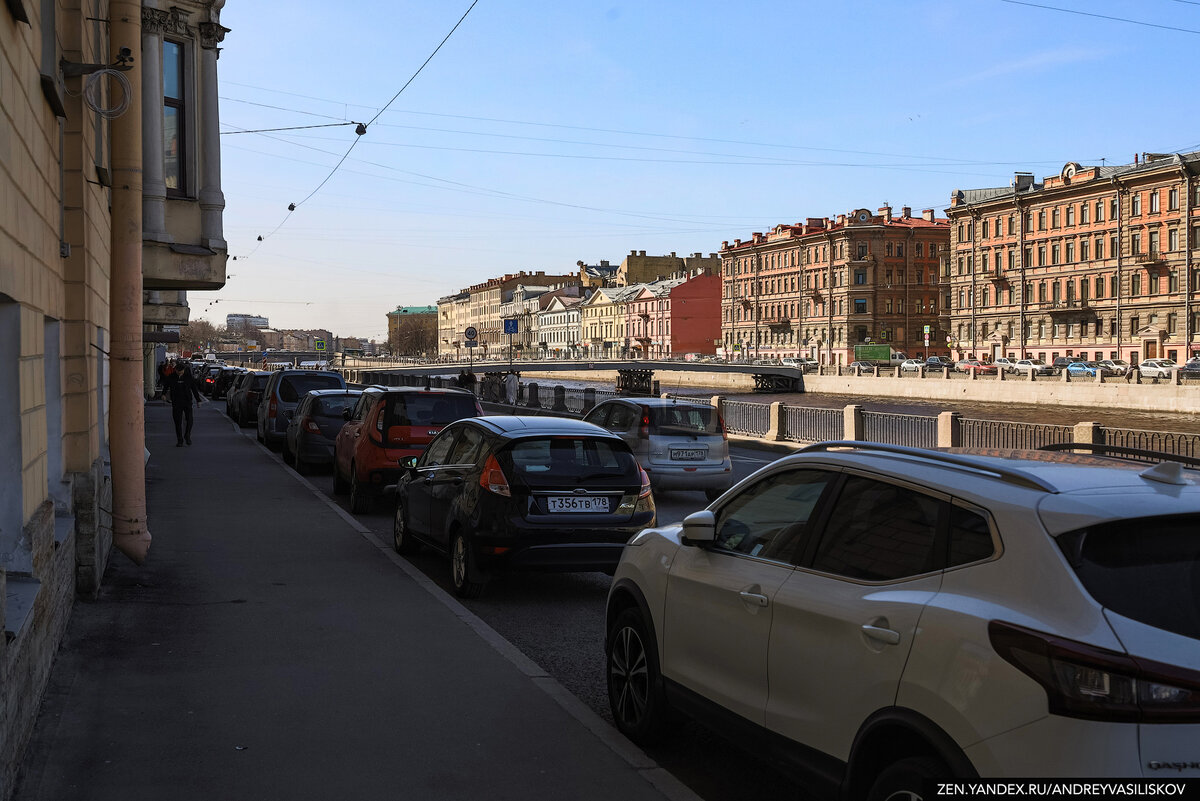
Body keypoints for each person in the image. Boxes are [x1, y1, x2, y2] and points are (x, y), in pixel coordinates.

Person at [162, 358, 204, 446]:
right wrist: (163, 394)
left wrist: (198, 400)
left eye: (181, 371)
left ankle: (187, 435)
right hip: (176, 402)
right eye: (178, 371)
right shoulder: (172, 377)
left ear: (184, 370)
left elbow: (194, 389)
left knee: (189, 419)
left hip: (187, 401)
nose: (180, 373)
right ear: (175, 370)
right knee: (177, 421)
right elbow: (166, 386)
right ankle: (180, 440)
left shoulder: (188, 377)